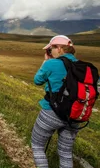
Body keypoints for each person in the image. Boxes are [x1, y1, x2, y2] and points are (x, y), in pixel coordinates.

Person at [31, 35, 80, 168]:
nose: (50, 51)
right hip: (74, 116)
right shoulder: (80, 65)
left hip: (51, 112)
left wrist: (46, 62)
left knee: (37, 145)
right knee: (65, 153)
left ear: (59, 48)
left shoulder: (52, 63)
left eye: (51, 48)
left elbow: (37, 80)